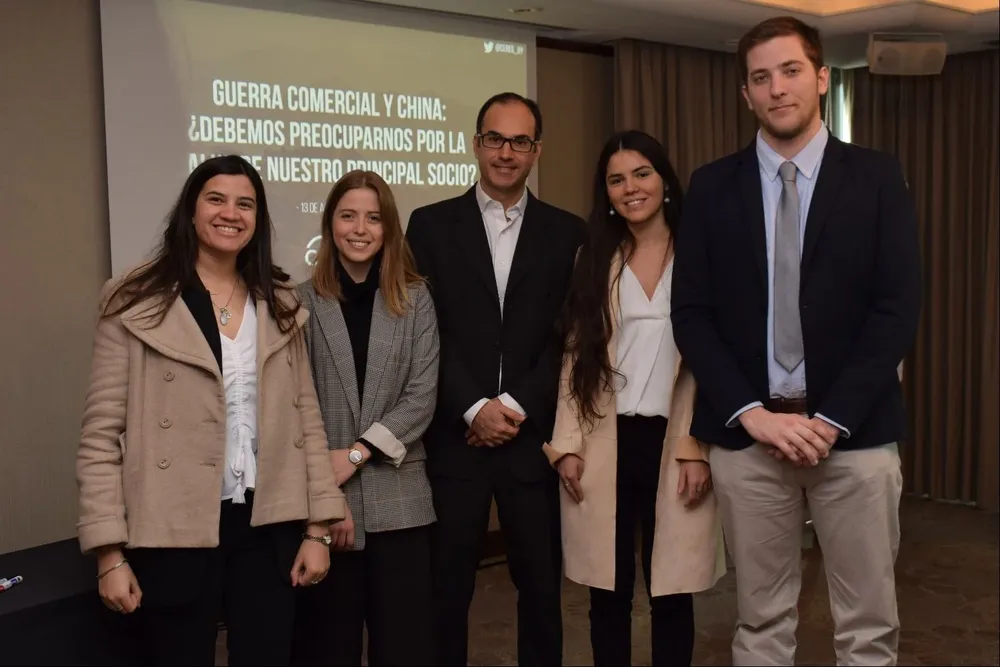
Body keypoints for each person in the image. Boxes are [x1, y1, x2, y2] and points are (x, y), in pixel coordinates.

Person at [671, 16, 921, 667]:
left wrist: (831, 419)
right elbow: (691, 314)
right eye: (761, 77)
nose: (777, 88)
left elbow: (896, 310)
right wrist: (752, 415)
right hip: (748, 438)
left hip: (855, 436)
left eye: (790, 71)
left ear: (821, 78)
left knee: (868, 626)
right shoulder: (711, 186)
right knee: (759, 621)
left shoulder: (876, 177)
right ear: (746, 94)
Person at [76, 155, 347, 666]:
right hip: (173, 525)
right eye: (216, 199)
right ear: (191, 210)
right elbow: (100, 436)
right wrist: (109, 554)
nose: (231, 213)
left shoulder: (279, 302)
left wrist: (318, 529)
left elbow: (306, 423)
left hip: (268, 524)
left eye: (245, 204)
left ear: (257, 219)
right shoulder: (135, 298)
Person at [405, 92, 585, 666]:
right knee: (445, 592)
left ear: (537, 151)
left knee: (541, 592)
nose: (506, 152)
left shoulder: (568, 232)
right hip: (455, 438)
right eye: (495, 139)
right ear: (476, 143)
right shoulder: (429, 225)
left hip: (531, 441)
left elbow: (569, 337)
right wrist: (474, 406)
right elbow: (424, 330)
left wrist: (513, 404)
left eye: (520, 141)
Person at [546, 130, 726, 667]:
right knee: (608, 592)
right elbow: (575, 357)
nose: (631, 188)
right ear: (606, 193)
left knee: (671, 590)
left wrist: (698, 447)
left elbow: (717, 360)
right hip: (606, 440)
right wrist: (567, 444)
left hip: (676, 440)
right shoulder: (593, 256)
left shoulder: (701, 252)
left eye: (642, 174)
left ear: (665, 181)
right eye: (616, 179)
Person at [291, 170, 439, 667]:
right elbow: (296, 407)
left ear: (388, 228)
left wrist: (356, 454)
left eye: (373, 218)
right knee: (327, 649)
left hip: (401, 505)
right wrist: (330, 498)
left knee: (404, 649)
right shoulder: (299, 303)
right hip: (326, 508)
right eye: (348, 216)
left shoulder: (415, 299)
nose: (360, 229)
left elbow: (421, 397)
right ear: (330, 224)